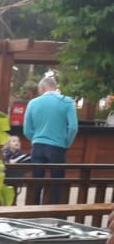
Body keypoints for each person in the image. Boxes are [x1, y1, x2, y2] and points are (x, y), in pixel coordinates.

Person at [23, 75, 78, 204]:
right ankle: (53, 211)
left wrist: (36, 138)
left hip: (37, 146)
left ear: (42, 87)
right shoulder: (67, 102)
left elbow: (27, 129)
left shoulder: (33, 103)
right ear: (55, 87)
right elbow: (73, 127)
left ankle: (34, 209)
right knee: (57, 182)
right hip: (58, 146)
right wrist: (66, 142)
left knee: (36, 181)